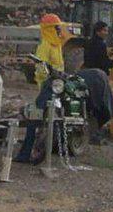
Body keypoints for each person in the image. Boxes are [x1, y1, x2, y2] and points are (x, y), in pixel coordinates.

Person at [15, 13, 71, 163]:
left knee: (57, 117)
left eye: (59, 27)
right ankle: (25, 154)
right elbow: (41, 67)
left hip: (56, 86)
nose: (59, 30)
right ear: (49, 29)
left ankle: (50, 149)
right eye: (57, 27)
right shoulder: (45, 45)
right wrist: (49, 77)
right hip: (48, 86)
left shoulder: (57, 44)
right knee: (35, 118)